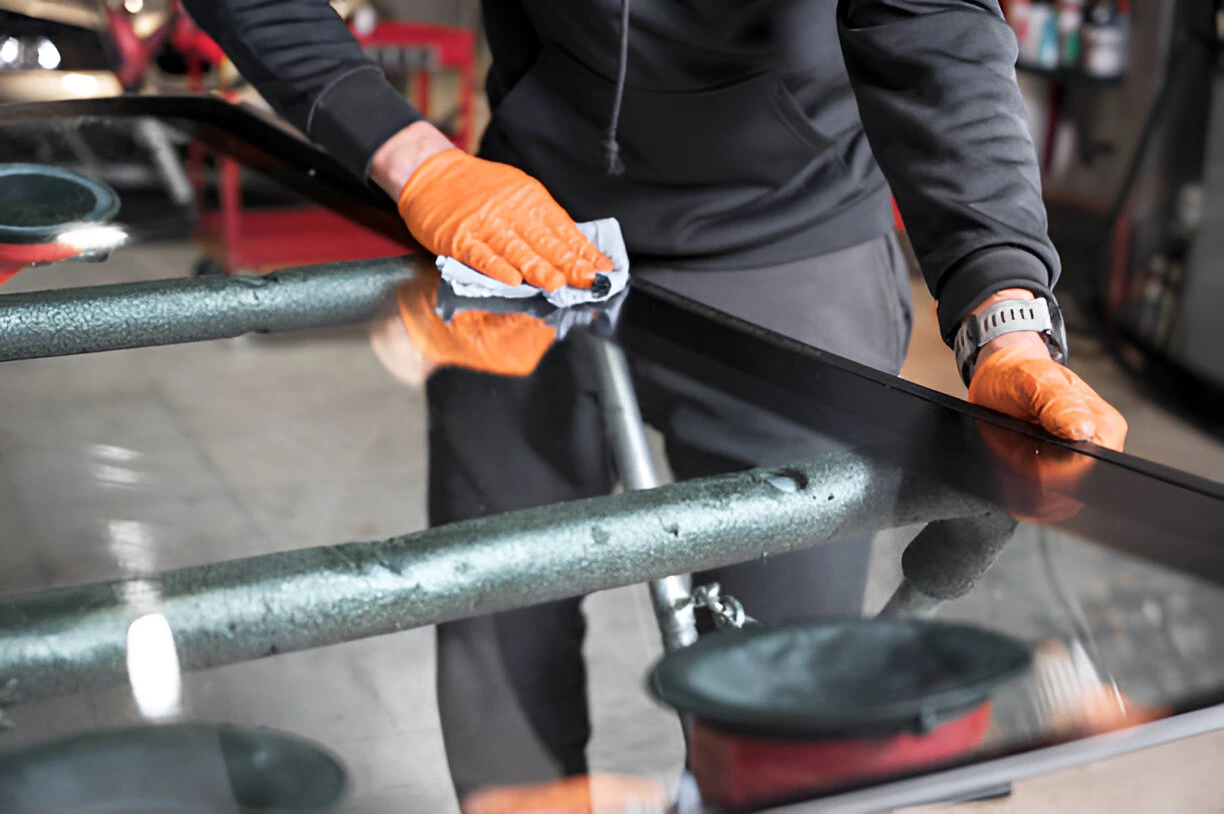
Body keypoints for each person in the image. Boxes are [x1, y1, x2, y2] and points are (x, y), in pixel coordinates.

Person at [180, 0, 1128, 807]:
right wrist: (413, 158)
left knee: (786, 691)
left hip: (791, 231)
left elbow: (933, 23)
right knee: (494, 597)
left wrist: (1003, 313)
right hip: (521, 216)